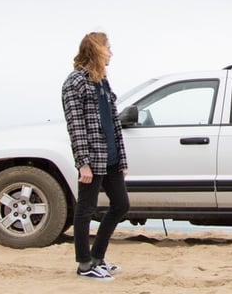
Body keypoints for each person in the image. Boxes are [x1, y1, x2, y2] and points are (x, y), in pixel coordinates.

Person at [61, 32, 130, 281]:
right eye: (108, 48)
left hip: (111, 157)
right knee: (85, 209)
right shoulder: (75, 82)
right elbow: (76, 126)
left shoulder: (102, 81)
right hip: (92, 158)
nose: (111, 53)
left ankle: (97, 257)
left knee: (121, 205)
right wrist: (83, 163)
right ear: (97, 50)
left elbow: (114, 123)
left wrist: (122, 160)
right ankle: (84, 265)